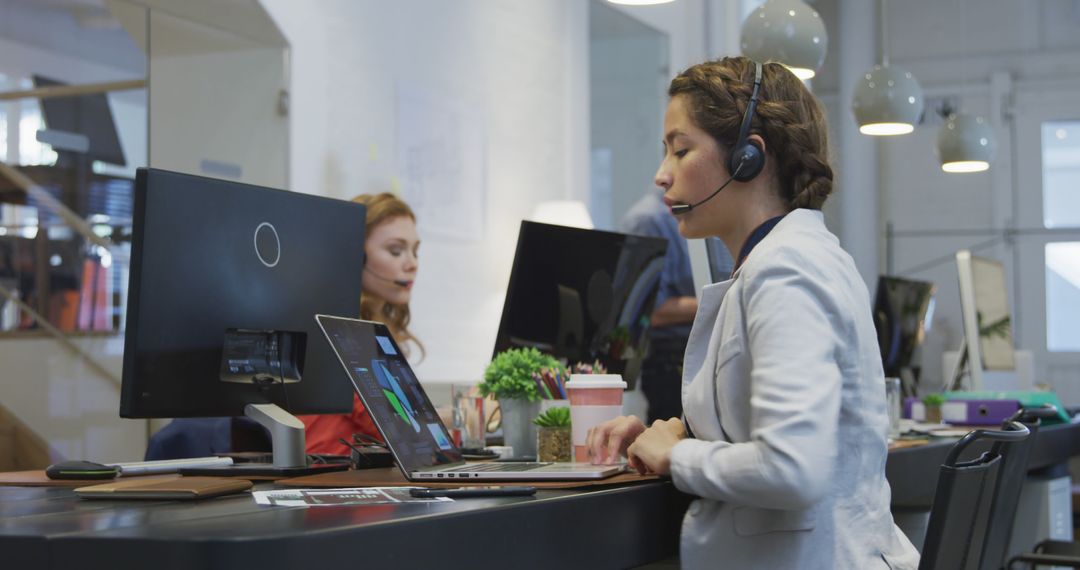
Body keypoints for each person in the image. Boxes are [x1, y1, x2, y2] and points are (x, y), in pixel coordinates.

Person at [586, 57, 920, 569]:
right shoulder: (787, 261)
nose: (661, 175)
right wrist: (668, 435)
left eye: (681, 150)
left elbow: (792, 466)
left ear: (748, 157)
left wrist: (677, 456)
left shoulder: (787, 271)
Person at [300, 192, 424, 455]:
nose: (412, 264)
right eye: (396, 250)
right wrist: (462, 416)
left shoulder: (372, 330)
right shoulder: (343, 330)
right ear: (357, 255)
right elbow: (399, 425)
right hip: (334, 479)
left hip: (365, 476)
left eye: (415, 250)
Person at [620, 190, 733, 423]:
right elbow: (651, 310)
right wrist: (725, 298)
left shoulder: (695, 216)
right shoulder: (648, 220)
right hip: (669, 364)